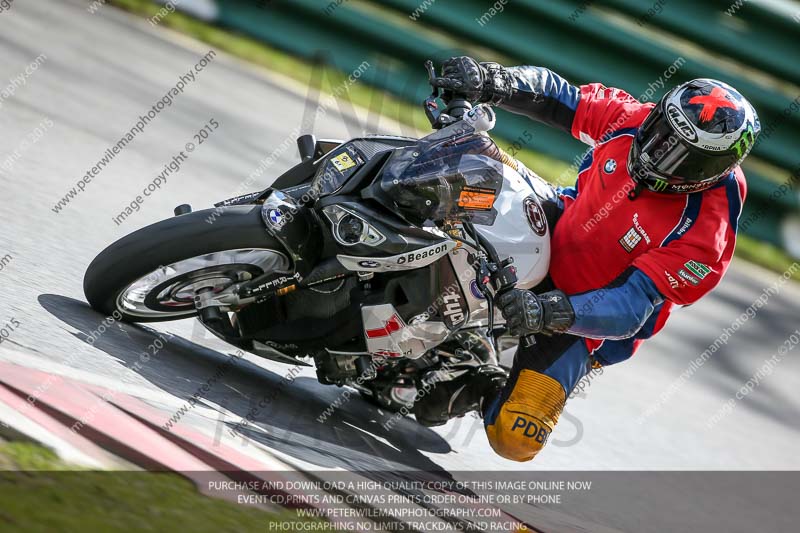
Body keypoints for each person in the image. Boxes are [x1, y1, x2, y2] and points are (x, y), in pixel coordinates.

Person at [413, 56, 760, 462]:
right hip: (554, 223)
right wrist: (493, 79)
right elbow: (557, 94)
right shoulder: (633, 120)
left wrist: (548, 312)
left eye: (686, 158)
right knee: (466, 169)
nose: (661, 153)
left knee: (516, 438)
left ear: (716, 169)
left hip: (579, 320)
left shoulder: (706, 233)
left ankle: (473, 377)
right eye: (663, 134)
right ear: (660, 114)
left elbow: (629, 308)